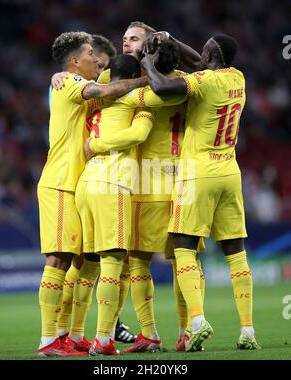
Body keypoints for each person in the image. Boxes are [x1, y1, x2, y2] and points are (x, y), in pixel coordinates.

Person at [142, 32, 261, 351]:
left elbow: (162, 88)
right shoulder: (237, 78)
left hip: (198, 174)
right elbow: (200, 61)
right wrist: (170, 38)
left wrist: (147, 64)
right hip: (230, 173)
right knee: (236, 252)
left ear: (210, 57)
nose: (200, 57)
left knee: (184, 247)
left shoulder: (204, 81)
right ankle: (247, 329)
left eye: (205, 53)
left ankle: (197, 320)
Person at [37, 31, 149, 357]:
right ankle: (47, 342)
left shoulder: (73, 89)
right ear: (74, 62)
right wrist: (145, 82)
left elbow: (106, 92)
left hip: (78, 184)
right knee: (57, 260)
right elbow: (107, 87)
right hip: (60, 182)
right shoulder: (69, 83)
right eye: (90, 53)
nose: (96, 59)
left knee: (79, 262)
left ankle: (66, 334)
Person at [97, 22, 206, 353]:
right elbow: (201, 65)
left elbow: (101, 91)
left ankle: (151, 332)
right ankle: (189, 330)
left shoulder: (137, 84)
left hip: (147, 180)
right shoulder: (186, 82)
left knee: (139, 259)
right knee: (183, 259)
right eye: (124, 38)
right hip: (183, 178)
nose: (125, 43)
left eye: (133, 39)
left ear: (149, 47)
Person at [75, 54, 154, 356]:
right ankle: (104, 339)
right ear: (135, 74)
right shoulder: (137, 97)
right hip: (112, 181)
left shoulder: (95, 97)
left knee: (88, 264)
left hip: (86, 182)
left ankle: (76, 334)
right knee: (113, 260)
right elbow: (138, 134)